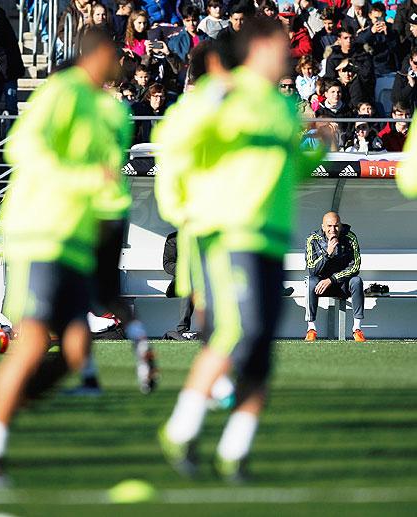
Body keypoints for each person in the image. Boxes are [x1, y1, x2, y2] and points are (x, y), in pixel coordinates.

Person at [0, 28, 134, 488]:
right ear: (100, 55)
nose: (123, 62)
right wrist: (85, 176)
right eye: (118, 55)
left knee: (75, 350)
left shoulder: (108, 109)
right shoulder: (63, 92)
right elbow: (23, 148)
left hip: (73, 240)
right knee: (34, 340)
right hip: (38, 233)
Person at [153, 16, 322, 481]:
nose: (288, 54)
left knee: (262, 350)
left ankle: (235, 450)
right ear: (258, 48)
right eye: (280, 46)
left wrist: (317, 147)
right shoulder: (225, 93)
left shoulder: (281, 106)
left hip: (269, 239)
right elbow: (173, 138)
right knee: (235, 333)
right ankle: (181, 429)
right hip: (228, 233)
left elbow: (290, 170)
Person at [304, 212, 365, 342]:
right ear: (323, 227)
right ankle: (311, 329)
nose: (333, 230)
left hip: (342, 284)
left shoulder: (350, 237)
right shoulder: (312, 239)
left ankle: (357, 329)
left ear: (341, 226)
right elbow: (312, 270)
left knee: (357, 281)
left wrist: (332, 279)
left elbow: (355, 267)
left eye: (336, 226)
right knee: (310, 281)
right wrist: (327, 254)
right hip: (321, 286)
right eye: (329, 226)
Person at [162, 232, 196, 340]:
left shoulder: (205, 235)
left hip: (205, 278)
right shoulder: (173, 239)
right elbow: (167, 264)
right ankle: (183, 329)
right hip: (183, 280)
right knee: (189, 281)